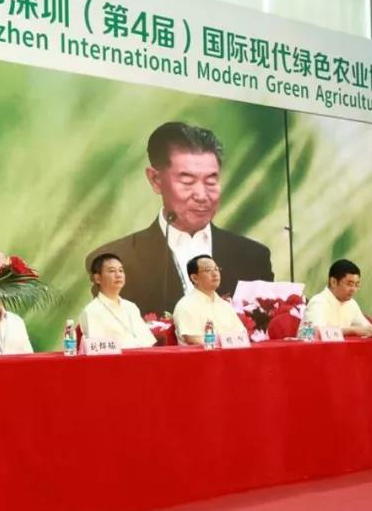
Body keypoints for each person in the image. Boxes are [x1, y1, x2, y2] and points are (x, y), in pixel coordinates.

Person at [84, 121, 273, 316]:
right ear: (156, 180)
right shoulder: (116, 261)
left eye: (211, 181)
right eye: (187, 181)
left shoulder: (253, 257)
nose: (201, 195)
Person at [77, 253, 158, 349]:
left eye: (121, 270)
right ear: (97, 278)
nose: (118, 275)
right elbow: (96, 350)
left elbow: (148, 342)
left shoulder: (131, 307)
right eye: (112, 271)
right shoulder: (91, 311)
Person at [172, 255, 248, 345]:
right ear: (194, 278)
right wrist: (224, 343)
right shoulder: (185, 305)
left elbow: (242, 335)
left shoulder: (225, 306)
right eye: (208, 270)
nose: (215, 274)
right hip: (203, 353)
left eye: (216, 269)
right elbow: (192, 339)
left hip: (230, 353)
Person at [304, 259, 372, 337]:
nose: (353, 289)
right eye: (350, 284)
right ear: (333, 282)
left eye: (356, 285)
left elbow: (367, 329)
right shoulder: (318, 302)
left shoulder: (351, 303)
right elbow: (316, 332)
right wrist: (352, 330)